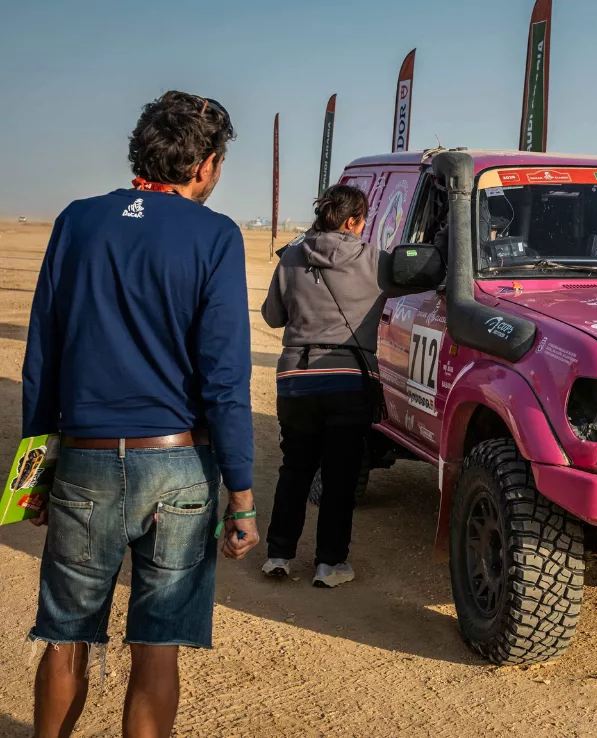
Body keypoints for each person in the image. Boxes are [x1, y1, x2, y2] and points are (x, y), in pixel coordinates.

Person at [21, 91, 257, 737]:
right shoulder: (214, 234)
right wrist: (241, 496)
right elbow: (226, 378)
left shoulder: (78, 220)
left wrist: (31, 476)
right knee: (156, 646)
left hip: (85, 463)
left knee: (66, 635)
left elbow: (43, 354)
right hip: (177, 465)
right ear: (205, 164)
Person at [260, 184, 407, 587]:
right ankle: (329, 564)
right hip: (348, 380)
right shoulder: (376, 261)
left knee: (295, 468)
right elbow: (420, 279)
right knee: (340, 476)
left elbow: (273, 316)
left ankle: (278, 554)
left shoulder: (292, 254)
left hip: (296, 378)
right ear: (355, 220)